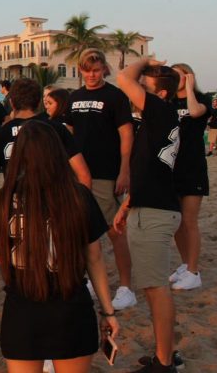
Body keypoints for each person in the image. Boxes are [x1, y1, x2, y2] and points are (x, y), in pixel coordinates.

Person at [0, 121, 119, 372]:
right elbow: (94, 258)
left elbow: (0, 256)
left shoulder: (4, 199)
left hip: (21, 310)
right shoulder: (78, 195)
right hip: (70, 309)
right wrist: (108, 311)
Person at [113, 59, 182, 373]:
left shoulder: (161, 110)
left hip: (156, 213)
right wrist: (128, 206)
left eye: (148, 80)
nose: (140, 83)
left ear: (162, 92)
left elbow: (124, 77)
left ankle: (165, 363)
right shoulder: (157, 119)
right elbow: (146, 170)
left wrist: (145, 62)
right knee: (154, 288)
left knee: (157, 288)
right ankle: (163, 354)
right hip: (148, 207)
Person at [67, 49, 136, 311]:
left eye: (96, 70)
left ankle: (126, 287)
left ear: (104, 69)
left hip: (106, 173)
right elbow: (68, 135)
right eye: (87, 70)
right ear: (81, 70)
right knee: (82, 232)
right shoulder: (74, 97)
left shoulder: (115, 96)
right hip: (78, 174)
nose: (92, 75)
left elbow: (127, 136)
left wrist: (124, 170)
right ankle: (89, 282)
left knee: (114, 231)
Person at [0, 79, 91, 208]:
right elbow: (83, 175)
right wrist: (78, 211)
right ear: (39, 102)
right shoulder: (56, 128)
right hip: (55, 209)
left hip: (17, 213)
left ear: (11, 102)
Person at [168, 64, 211, 292]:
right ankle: (185, 264)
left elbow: (195, 112)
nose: (176, 79)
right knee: (176, 222)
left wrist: (191, 88)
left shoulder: (203, 98)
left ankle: (194, 272)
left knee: (189, 220)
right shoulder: (169, 102)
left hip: (193, 167)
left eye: (180, 75)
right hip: (172, 167)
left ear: (189, 75)